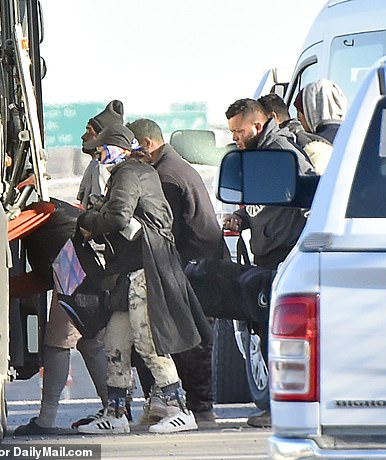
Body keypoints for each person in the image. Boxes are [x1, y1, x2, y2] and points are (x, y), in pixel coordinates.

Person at [76, 123, 212, 434]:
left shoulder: (129, 173)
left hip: (143, 271)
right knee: (115, 343)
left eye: (100, 150)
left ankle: (180, 410)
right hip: (133, 271)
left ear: (116, 148)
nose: (98, 156)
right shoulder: (136, 171)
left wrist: (87, 221)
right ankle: (116, 414)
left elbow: (118, 217)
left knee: (148, 342)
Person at [13, 102, 124, 436]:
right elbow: (37, 278)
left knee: (59, 342)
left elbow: (14, 230)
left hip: (77, 269)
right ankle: (115, 412)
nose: (83, 136)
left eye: (90, 131)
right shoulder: (52, 206)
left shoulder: (38, 209)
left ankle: (48, 419)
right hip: (83, 268)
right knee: (90, 342)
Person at [126, 118, 229, 427]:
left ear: (146, 145)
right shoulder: (171, 167)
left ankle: (199, 409)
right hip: (199, 265)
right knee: (187, 338)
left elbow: (165, 231)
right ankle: (187, 406)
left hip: (196, 268)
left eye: (132, 148)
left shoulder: (166, 176)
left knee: (192, 342)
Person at [222, 98, 314, 427]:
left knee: (276, 334)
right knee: (264, 330)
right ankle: (278, 407)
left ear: (257, 126)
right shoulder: (258, 155)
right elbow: (261, 204)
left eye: (238, 130)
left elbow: (309, 194)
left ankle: (281, 409)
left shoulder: (282, 153)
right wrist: (240, 218)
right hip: (266, 255)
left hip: (284, 255)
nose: (235, 136)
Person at [258, 93, 332, 174]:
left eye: (259, 123)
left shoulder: (284, 147)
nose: (259, 129)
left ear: (273, 117)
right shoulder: (316, 141)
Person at [294, 79, 347, 144]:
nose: (298, 118)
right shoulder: (354, 135)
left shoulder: (311, 145)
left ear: (310, 111)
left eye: (299, 111)